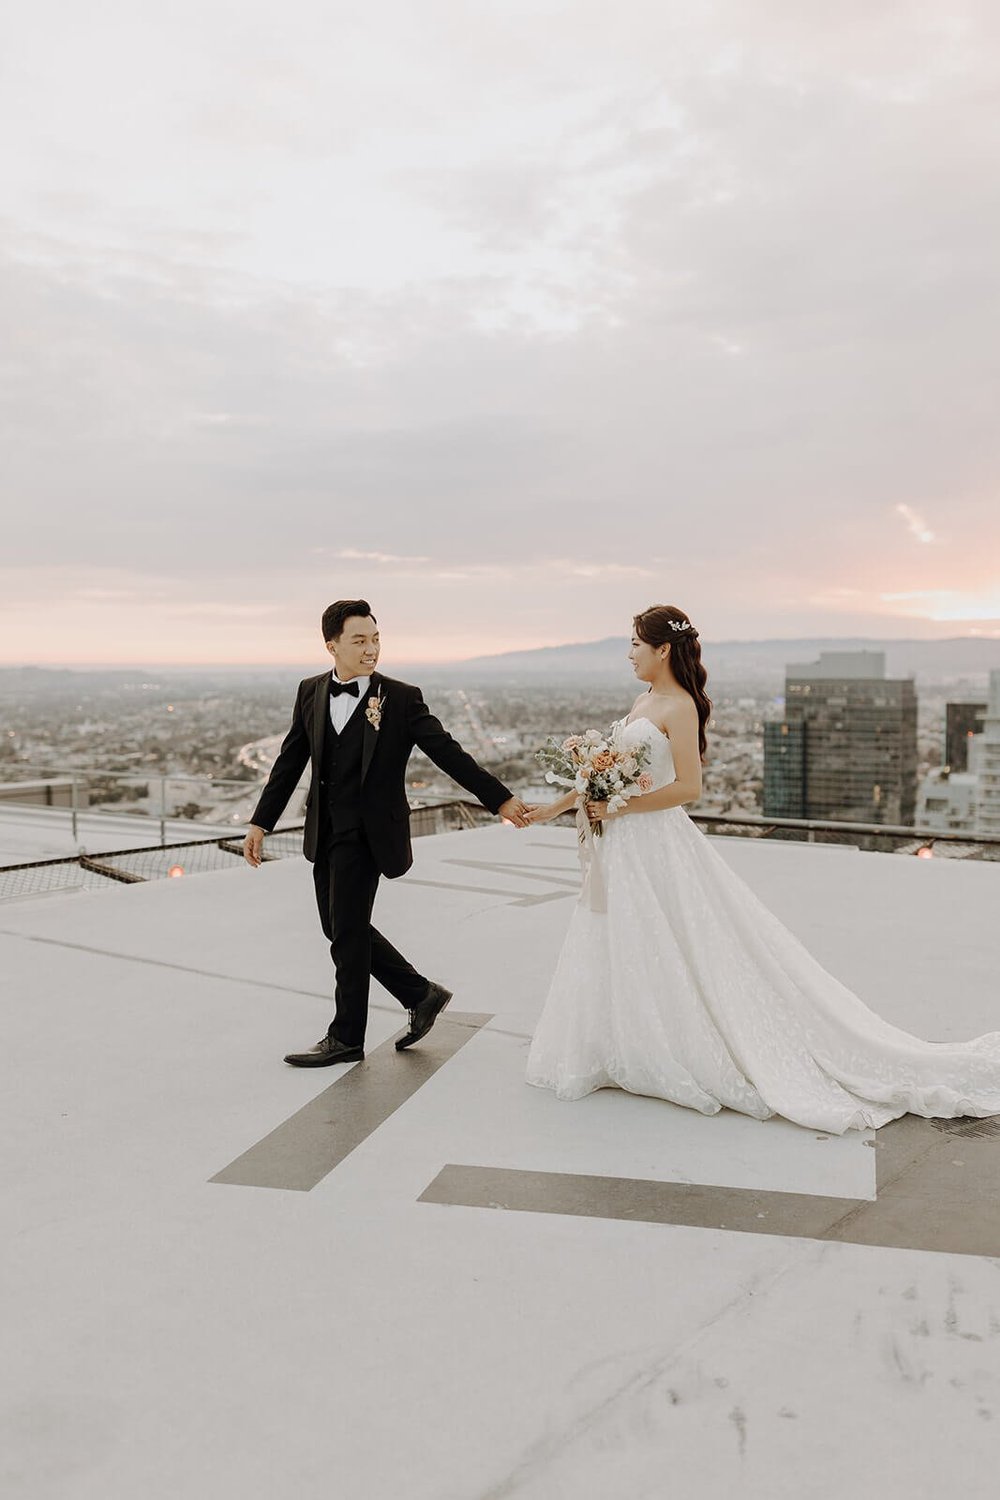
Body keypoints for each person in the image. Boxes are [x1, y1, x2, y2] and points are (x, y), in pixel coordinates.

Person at [524, 603, 1000, 1134]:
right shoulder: (643, 700)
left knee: (678, 941)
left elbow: (687, 788)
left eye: (636, 643)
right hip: (623, 845)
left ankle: (678, 1047)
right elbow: (605, 776)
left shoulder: (679, 706)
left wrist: (617, 807)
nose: (630, 653)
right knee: (623, 937)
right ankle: (625, 1043)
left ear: (662, 649)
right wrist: (555, 807)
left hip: (655, 841)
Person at [243, 599, 530, 1066]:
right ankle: (420, 994)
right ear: (331, 645)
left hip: (370, 835)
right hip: (325, 830)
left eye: (376, 639)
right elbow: (290, 759)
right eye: (359, 640)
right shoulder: (310, 691)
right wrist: (261, 822)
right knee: (336, 928)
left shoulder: (401, 697)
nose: (371, 648)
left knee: (348, 934)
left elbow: (448, 754)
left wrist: (500, 798)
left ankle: (346, 1037)